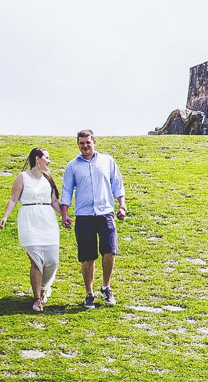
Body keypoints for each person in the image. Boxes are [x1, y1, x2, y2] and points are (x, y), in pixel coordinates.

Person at [60, 129, 126, 309]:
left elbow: (117, 184)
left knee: (110, 251)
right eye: (81, 143)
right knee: (87, 256)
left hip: (105, 213)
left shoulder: (107, 161)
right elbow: (66, 191)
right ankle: (89, 293)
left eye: (88, 142)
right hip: (84, 216)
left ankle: (106, 287)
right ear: (78, 144)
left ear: (94, 142)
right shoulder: (72, 166)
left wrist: (122, 205)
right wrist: (64, 214)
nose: (85, 146)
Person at [0, 147, 62, 313]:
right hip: (29, 220)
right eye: (46, 158)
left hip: (47, 221)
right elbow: (13, 199)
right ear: (37, 159)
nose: (49, 161)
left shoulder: (48, 178)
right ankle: (37, 299)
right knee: (36, 261)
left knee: (53, 261)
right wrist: (5, 216)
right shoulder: (22, 177)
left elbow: (54, 201)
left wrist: (64, 216)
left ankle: (43, 288)